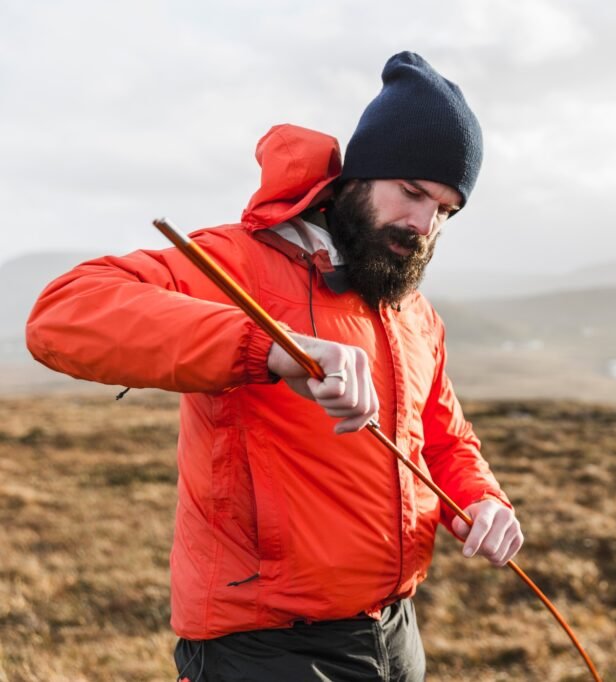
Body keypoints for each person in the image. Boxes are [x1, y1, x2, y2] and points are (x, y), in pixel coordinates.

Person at [25, 51, 522, 682]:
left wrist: (480, 501)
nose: (423, 226)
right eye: (413, 193)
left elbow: (443, 439)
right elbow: (63, 314)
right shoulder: (238, 264)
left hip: (396, 638)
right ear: (357, 180)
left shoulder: (410, 309)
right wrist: (270, 344)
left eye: (446, 212)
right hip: (264, 648)